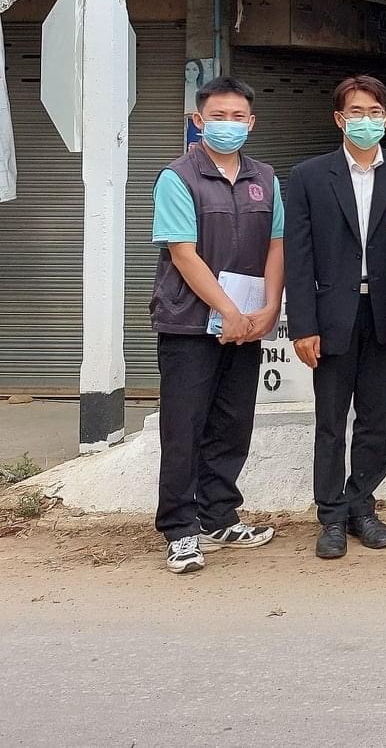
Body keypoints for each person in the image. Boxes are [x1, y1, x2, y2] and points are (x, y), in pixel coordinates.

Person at [284, 75, 386, 559]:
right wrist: (303, 324)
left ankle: (362, 504)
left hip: (384, 314)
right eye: (357, 112)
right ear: (339, 119)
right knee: (330, 418)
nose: (367, 121)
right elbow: (298, 257)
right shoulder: (307, 176)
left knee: (375, 417)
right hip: (330, 314)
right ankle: (331, 515)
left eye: (375, 112)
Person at [150, 76, 285, 574]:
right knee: (184, 426)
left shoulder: (265, 177)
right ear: (198, 120)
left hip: (248, 323)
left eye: (238, 117)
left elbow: (277, 246)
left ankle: (219, 515)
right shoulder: (177, 177)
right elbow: (183, 254)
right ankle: (180, 529)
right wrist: (227, 310)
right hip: (190, 324)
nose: (228, 125)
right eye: (218, 116)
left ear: (251, 121)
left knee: (232, 423)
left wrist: (270, 307)